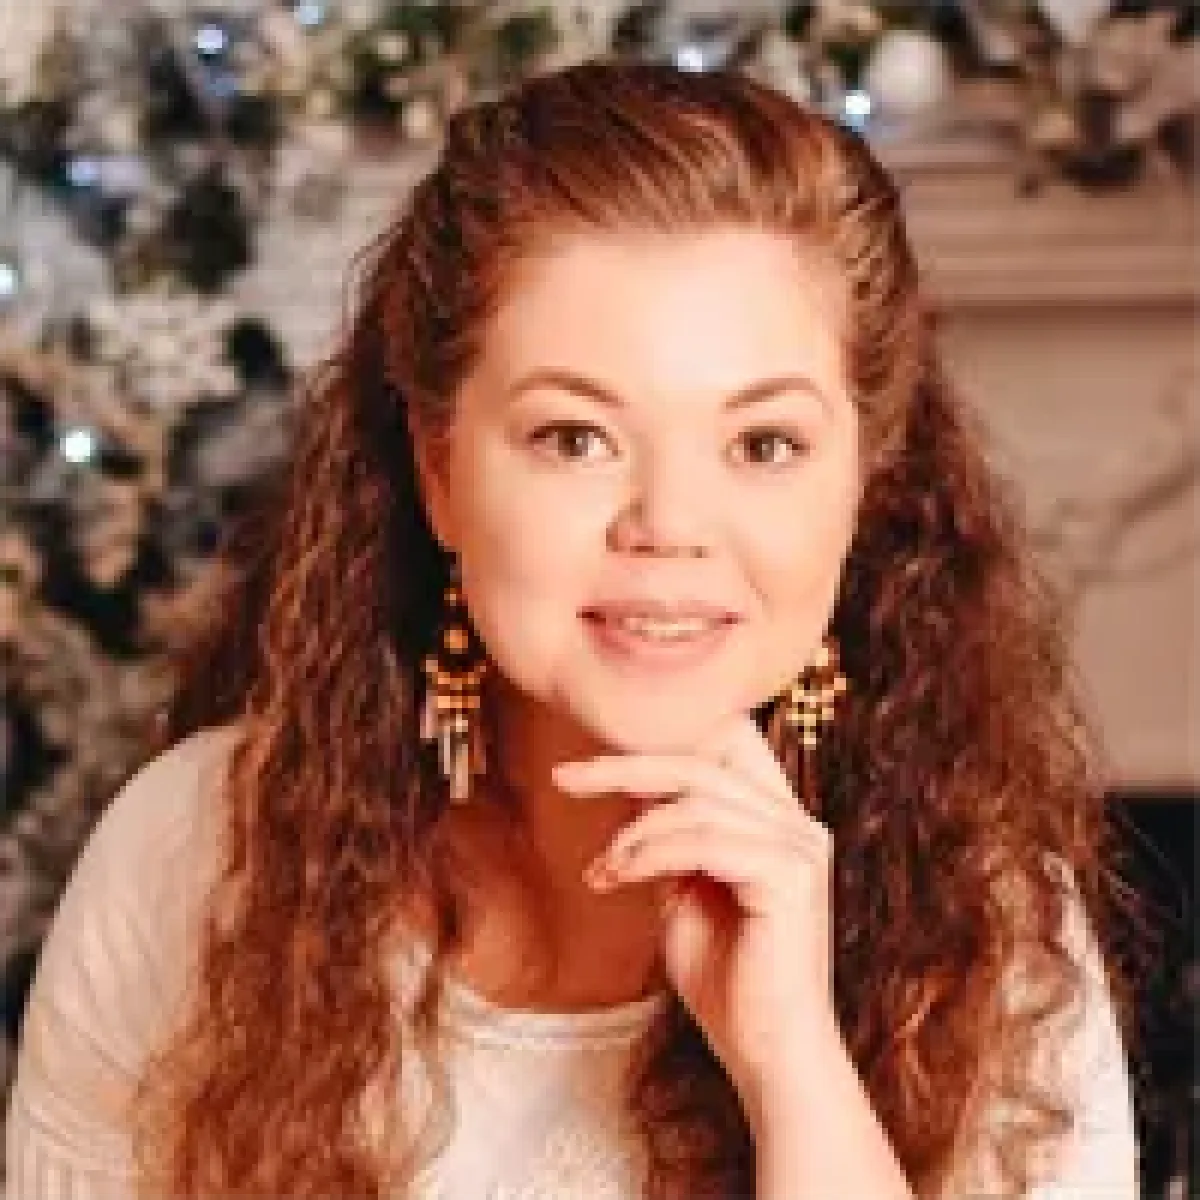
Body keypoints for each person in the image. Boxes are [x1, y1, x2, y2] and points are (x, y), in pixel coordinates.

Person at [4, 59, 1153, 1199]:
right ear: (441, 470)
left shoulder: (995, 942)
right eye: (575, 438)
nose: (670, 525)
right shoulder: (198, 857)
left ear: (866, 484)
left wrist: (792, 1062)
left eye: (764, 445)